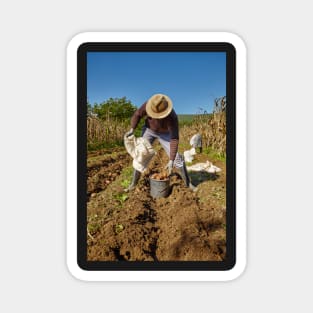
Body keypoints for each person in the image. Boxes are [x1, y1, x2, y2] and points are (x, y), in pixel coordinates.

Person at [125, 93, 197, 192]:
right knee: (140, 154)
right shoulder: (148, 105)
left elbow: (174, 139)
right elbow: (137, 114)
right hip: (149, 130)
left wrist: (171, 160)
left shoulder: (172, 117)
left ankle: (188, 183)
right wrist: (132, 128)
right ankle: (133, 184)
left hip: (165, 134)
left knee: (177, 159)